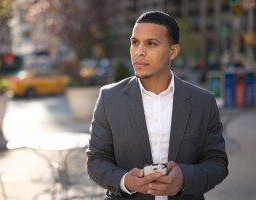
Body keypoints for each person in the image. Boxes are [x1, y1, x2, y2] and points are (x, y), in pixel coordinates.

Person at [87, 11, 228, 200]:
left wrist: (184, 179)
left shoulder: (203, 102)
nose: (139, 52)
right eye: (135, 42)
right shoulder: (109, 98)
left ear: (173, 51)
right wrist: (125, 181)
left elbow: (217, 163)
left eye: (151, 43)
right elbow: (96, 160)